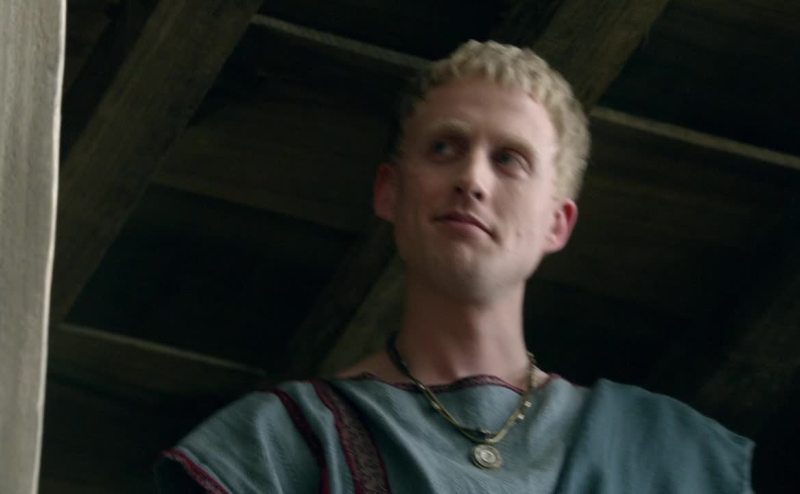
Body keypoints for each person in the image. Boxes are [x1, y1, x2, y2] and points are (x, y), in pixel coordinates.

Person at [155, 40, 753, 493]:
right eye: (445, 147)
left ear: (558, 222)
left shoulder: (675, 455)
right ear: (390, 191)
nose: (472, 179)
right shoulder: (279, 446)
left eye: (510, 159)